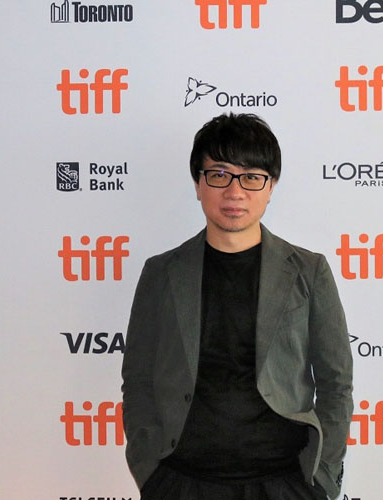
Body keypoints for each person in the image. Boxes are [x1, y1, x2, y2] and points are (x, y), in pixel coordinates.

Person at [121, 113, 353, 500]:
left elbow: (336, 383)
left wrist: (321, 477)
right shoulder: (162, 273)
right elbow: (138, 378)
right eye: (220, 174)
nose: (235, 191)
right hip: (180, 481)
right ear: (198, 183)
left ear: (270, 186)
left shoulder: (309, 271)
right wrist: (150, 473)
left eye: (251, 177)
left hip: (284, 482)